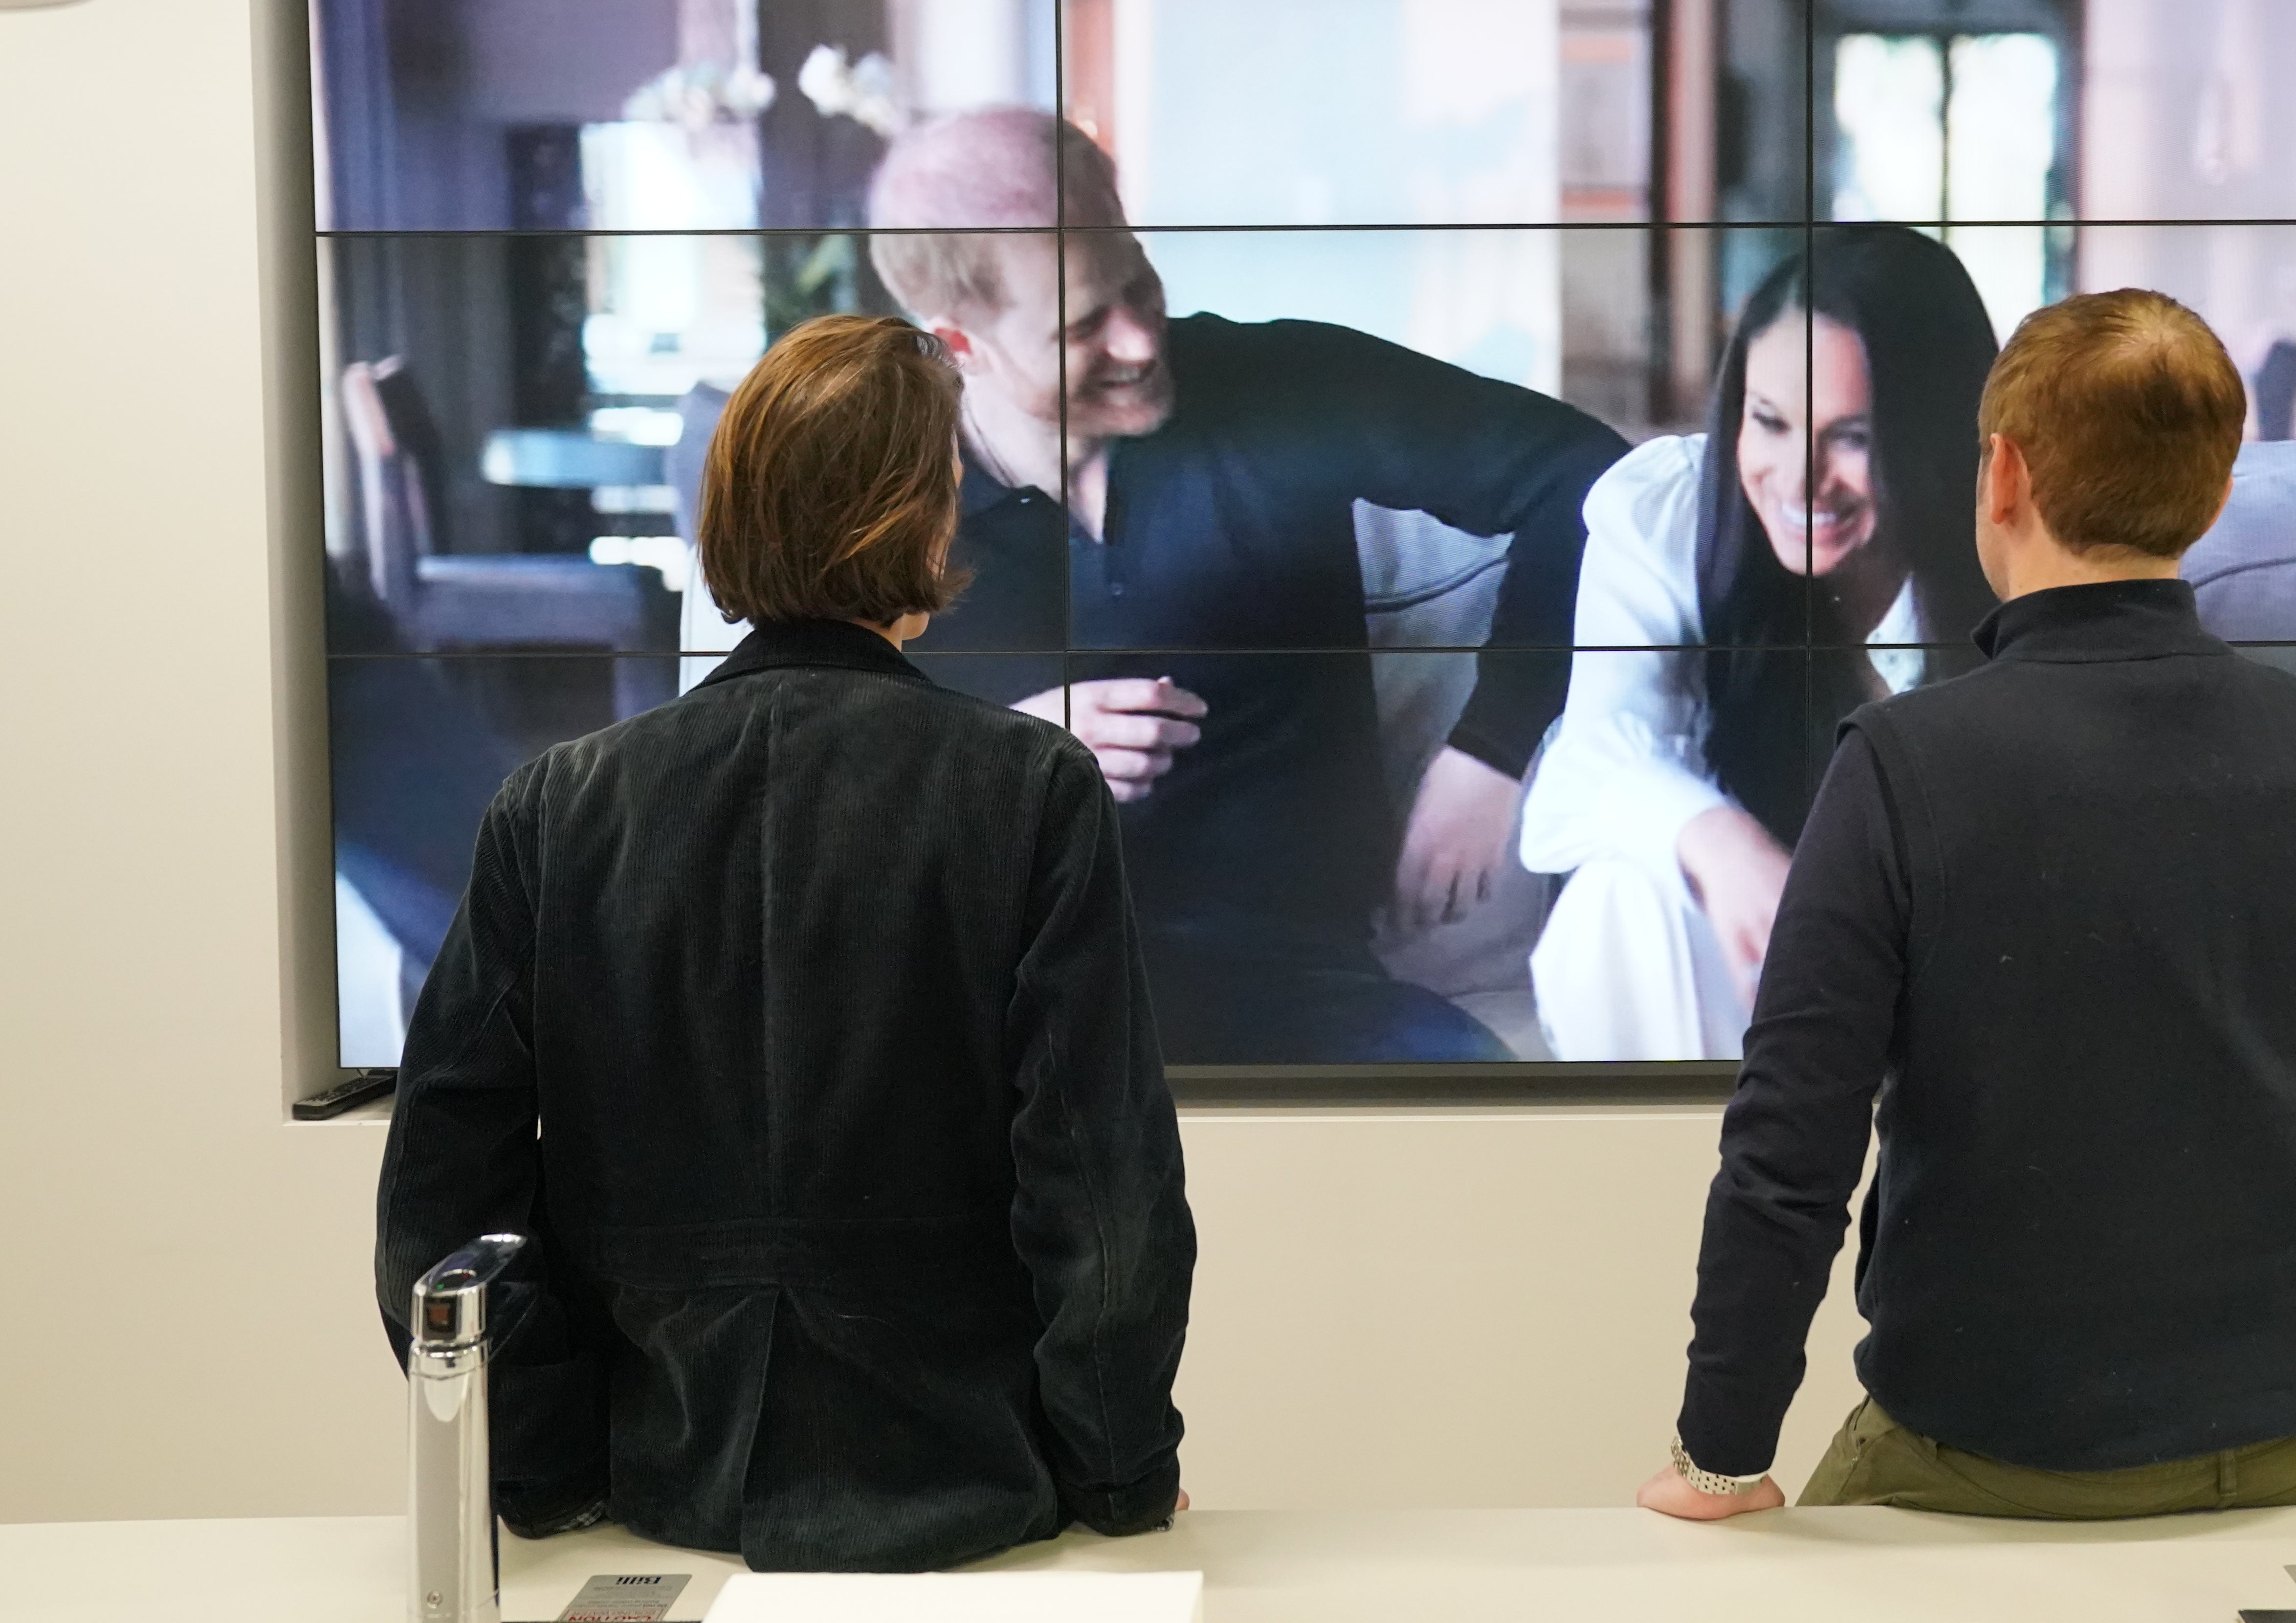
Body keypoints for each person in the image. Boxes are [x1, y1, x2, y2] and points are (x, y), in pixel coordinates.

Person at [1637, 289, 2296, 1522]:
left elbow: (1791, 1147)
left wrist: (1722, 1453)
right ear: (2212, 485)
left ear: (2003, 476)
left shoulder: (1898, 766)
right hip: (2295, 1450)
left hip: (1982, 1463)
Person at [375, 316, 1194, 1571]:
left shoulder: (557, 803)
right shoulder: (1030, 786)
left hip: (652, 1496)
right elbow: (1102, 1190)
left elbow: (442, 1201)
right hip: (969, 1508)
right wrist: (1119, 1472)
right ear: (927, 520)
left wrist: (548, 1468)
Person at [861, 108, 1629, 1065]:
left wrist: (1494, 744)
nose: (1143, 340)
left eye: (1138, 282)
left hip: (1305, 997)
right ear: (961, 342)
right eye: (1086, 322)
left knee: (1504, 1141)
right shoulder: (877, 506)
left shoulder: (1281, 386)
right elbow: (795, 794)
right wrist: (1004, 757)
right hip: (1003, 1023)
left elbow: (1595, 480)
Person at [1521, 227, 2000, 1060]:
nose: (1799, 477)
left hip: (1950, 988)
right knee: (1618, 900)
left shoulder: (2016, 546)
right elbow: (1584, 774)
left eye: (1851, 437)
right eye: (1770, 422)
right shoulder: (1669, 514)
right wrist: (1724, 846)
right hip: (1748, 992)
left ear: (1934, 437)